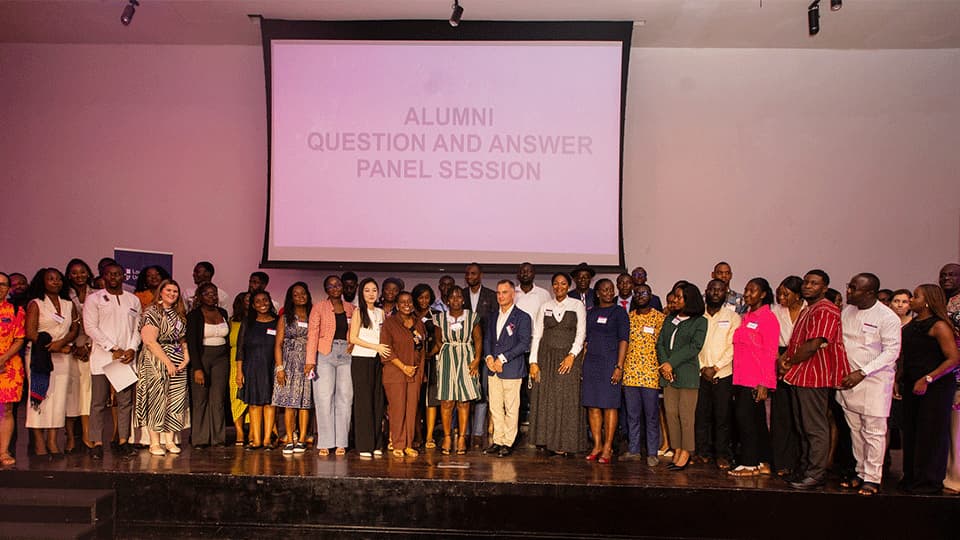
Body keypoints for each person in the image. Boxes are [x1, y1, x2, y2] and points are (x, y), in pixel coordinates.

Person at [778, 270, 850, 490]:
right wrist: (785, 358)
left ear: (825, 288)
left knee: (815, 427)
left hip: (814, 375)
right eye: (806, 282)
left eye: (814, 283)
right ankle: (804, 468)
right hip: (800, 374)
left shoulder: (826, 309)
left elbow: (813, 344)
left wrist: (789, 361)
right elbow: (797, 341)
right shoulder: (809, 309)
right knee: (802, 425)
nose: (808, 286)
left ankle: (816, 474)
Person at [835, 273, 902, 495]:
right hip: (848, 383)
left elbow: (891, 352)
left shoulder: (887, 317)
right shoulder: (848, 311)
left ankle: (873, 478)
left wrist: (862, 372)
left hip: (873, 382)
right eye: (849, 286)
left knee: (874, 432)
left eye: (854, 288)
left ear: (870, 293)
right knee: (856, 431)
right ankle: (860, 471)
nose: (849, 291)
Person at [899, 284, 959, 494]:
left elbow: (953, 359)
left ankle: (928, 481)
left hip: (935, 386)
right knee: (912, 430)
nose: (910, 300)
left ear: (927, 301)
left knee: (930, 433)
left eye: (914, 296)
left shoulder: (939, 326)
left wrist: (928, 378)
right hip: (912, 382)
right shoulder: (914, 323)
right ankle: (912, 476)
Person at [84, 263, 141, 459]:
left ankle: (123, 441)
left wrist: (132, 348)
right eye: (110, 274)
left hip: (125, 359)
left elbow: (137, 328)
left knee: (125, 402)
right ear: (103, 276)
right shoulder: (94, 299)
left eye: (118, 274)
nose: (114, 277)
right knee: (98, 403)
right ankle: (97, 443)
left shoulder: (132, 300)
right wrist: (112, 348)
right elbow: (90, 327)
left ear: (124, 276)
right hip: (103, 358)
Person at [528, 272, 587, 456]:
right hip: (546, 358)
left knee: (568, 399)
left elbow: (581, 334)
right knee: (548, 398)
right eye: (555, 284)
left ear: (568, 286)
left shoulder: (577, 305)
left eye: (563, 284)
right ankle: (548, 442)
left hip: (569, 358)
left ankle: (567, 443)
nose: (559, 287)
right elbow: (537, 334)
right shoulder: (545, 306)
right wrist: (533, 361)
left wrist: (572, 355)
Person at [25, 268, 79, 457]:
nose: (55, 282)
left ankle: (53, 442)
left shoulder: (67, 304)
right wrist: (51, 345)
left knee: (58, 399)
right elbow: (30, 332)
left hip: (63, 354)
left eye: (58, 279)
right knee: (40, 398)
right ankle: (40, 443)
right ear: (43, 282)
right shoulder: (36, 304)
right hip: (40, 355)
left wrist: (62, 343)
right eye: (51, 279)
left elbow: (74, 329)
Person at [729, 278, 779, 477]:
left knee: (746, 421)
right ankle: (764, 462)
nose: (747, 294)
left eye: (753, 291)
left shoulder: (768, 318)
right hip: (741, 378)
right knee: (756, 422)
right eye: (746, 290)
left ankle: (749, 464)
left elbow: (770, 353)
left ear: (764, 294)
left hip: (755, 380)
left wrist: (765, 383)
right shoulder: (747, 316)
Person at [136, 279, 190, 456]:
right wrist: (167, 362)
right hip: (157, 358)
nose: (172, 294)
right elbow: (149, 341)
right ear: (161, 292)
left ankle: (170, 441)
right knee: (157, 399)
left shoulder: (179, 313)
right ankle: (154, 443)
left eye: (175, 291)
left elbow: (182, 337)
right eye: (168, 290)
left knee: (176, 400)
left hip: (178, 356)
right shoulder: (152, 311)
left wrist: (186, 356)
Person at [657, 282, 707, 471]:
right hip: (668, 374)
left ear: (690, 299)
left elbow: (694, 346)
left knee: (686, 415)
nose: (675, 300)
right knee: (671, 414)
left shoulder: (700, 321)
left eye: (679, 297)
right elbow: (660, 343)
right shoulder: (670, 319)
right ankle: (676, 448)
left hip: (686, 373)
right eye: (675, 297)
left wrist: (672, 362)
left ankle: (687, 451)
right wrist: (665, 364)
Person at [306, 275, 355, 456]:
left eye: (338, 285)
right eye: (331, 286)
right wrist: (310, 361)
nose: (335, 288)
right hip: (325, 353)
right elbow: (312, 334)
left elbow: (356, 333)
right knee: (324, 398)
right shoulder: (319, 307)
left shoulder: (352, 308)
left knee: (345, 398)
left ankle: (341, 441)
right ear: (326, 289)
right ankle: (325, 441)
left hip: (347, 355)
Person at [694, 279, 741, 470]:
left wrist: (715, 368)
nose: (716, 292)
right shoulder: (697, 317)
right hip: (699, 373)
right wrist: (703, 368)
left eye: (720, 290)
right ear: (706, 291)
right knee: (701, 415)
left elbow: (733, 346)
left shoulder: (733, 317)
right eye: (712, 289)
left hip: (723, 374)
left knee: (722, 417)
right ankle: (702, 452)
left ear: (726, 293)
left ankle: (722, 454)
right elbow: (693, 345)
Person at [482, 280, 532, 457]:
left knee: (511, 407)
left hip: (511, 368)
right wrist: (488, 357)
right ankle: (498, 440)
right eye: (498, 293)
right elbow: (487, 339)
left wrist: (502, 359)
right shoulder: (493, 315)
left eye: (504, 292)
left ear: (513, 294)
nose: (500, 296)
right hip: (492, 368)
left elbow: (524, 343)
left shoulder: (522, 317)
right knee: (495, 406)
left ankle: (508, 442)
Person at [582, 278, 629, 464]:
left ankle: (608, 447)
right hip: (592, 363)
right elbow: (586, 339)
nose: (609, 292)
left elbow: (624, 340)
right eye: (605, 290)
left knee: (610, 405)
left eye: (611, 289)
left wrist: (619, 366)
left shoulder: (619, 313)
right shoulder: (591, 313)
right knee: (593, 405)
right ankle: (597, 445)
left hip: (610, 363)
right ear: (598, 293)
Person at [434, 286, 482, 455]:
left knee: (463, 401)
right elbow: (438, 340)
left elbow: (478, 339)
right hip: (447, 359)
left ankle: (462, 437)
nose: (455, 300)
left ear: (463, 299)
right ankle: (447, 436)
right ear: (447, 300)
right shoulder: (440, 318)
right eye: (452, 297)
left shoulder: (472, 317)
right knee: (447, 401)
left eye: (458, 297)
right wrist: (447, 353)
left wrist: (476, 360)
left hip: (467, 359)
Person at [622, 283, 666, 465]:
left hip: (651, 373)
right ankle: (633, 450)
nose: (640, 296)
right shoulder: (628, 318)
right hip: (631, 373)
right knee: (632, 415)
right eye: (637, 293)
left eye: (644, 293)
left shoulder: (660, 318)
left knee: (651, 416)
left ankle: (652, 453)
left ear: (651, 295)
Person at [380, 291, 426, 457]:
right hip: (395, 373)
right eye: (403, 302)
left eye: (409, 301)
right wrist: (403, 367)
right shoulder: (390, 323)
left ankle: (408, 444)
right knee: (397, 409)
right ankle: (398, 444)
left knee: (412, 410)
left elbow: (422, 349)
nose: (407, 304)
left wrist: (419, 372)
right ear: (397, 305)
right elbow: (386, 350)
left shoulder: (418, 323)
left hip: (414, 373)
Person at [349, 278, 390, 458]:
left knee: (377, 401)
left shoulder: (381, 313)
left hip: (377, 360)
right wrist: (376, 348)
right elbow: (353, 338)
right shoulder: (359, 312)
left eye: (374, 290)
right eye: (367, 290)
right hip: (361, 359)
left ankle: (376, 443)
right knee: (363, 402)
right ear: (361, 293)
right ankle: (364, 444)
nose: (371, 293)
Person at [186, 282, 230, 448]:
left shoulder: (223, 312)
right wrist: (197, 368)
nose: (212, 297)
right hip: (202, 358)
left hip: (221, 359)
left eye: (214, 294)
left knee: (218, 399)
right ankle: (200, 438)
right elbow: (192, 343)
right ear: (200, 296)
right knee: (200, 399)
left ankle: (218, 438)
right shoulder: (194, 315)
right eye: (207, 294)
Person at [769, 275, 805, 476]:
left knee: (801, 416)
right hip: (779, 360)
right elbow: (772, 339)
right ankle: (781, 462)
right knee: (781, 415)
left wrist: (791, 360)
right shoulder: (776, 311)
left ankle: (801, 461)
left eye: (786, 294)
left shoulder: (808, 309)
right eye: (779, 293)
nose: (781, 297)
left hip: (802, 360)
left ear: (798, 295)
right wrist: (779, 362)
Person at [273, 282, 313, 454]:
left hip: (307, 363)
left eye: (303, 293)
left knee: (304, 403)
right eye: (296, 294)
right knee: (289, 403)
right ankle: (290, 439)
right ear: (291, 298)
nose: (300, 297)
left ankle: (302, 439)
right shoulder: (284, 318)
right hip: (288, 363)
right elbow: (278, 344)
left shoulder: (313, 315)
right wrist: (280, 368)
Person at [236, 291, 278, 450]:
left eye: (265, 300)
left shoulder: (278, 321)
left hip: (271, 367)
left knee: (269, 403)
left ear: (270, 301)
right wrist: (239, 372)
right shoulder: (248, 322)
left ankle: (267, 440)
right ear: (253, 305)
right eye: (258, 301)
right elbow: (240, 349)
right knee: (254, 404)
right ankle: (256, 440)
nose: (262, 303)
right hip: (251, 367)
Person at [463, 263, 496, 449]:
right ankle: (465, 432)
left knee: (482, 393)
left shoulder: (491, 296)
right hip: (463, 353)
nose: (470, 276)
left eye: (473, 273)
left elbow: (492, 327)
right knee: (464, 393)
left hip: (485, 353)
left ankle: (477, 433)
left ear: (480, 275)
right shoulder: (460, 294)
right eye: (467, 273)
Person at [63, 258, 95, 452]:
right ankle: (70, 437)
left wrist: (89, 346)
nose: (79, 276)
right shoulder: (64, 295)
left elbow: (99, 324)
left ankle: (86, 435)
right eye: (74, 272)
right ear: (68, 275)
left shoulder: (97, 294)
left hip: (92, 348)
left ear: (88, 273)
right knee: (70, 394)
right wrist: (74, 346)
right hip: (69, 348)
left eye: (82, 271)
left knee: (87, 394)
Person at [0, 273, 26, 466]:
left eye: (4, 285)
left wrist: (4, 358)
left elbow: (19, 338)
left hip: (8, 364)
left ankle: (3, 451)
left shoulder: (16, 310)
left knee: (6, 409)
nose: (1, 287)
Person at [411, 284, 439, 449]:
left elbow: (440, 339)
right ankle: (417, 434)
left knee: (430, 399)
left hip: (432, 361)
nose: (423, 300)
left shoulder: (436, 315)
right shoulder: (409, 314)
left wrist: (429, 355)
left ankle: (429, 436)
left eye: (427, 297)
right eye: (420, 297)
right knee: (415, 400)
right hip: (413, 362)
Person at [228, 293, 249, 445]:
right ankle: (239, 431)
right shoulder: (231, 322)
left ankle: (252, 430)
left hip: (254, 360)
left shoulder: (256, 321)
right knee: (236, 395)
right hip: (235, 360)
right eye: (246, 300)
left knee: (252, 397)